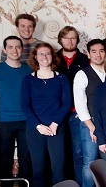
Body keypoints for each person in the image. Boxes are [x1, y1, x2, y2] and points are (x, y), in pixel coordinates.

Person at [21, 42, 72, 187]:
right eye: (41, 54)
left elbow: (66, 103)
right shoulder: (28, 79)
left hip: (57, 127)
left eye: (48, 53)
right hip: (35, 129)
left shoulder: (61, 78)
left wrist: (55, 124)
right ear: (35, 57)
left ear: (53, 57)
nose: (45, 56)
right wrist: (39, 126)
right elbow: (25, 105)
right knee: (38, 169)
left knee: (58, 168)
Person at [0, 36, 32, 180]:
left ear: (22, 49)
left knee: (25, 157)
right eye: (11, 47)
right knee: (5, 158)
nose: (15, 50)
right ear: (4, 50)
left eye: (18, 47)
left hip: (26, 120)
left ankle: (25, 184)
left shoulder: (28, 70)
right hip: (4, 121)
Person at [54, 26, 89, 185]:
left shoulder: (84, 59)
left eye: (73, 37)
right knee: (59, 154)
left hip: (77, 113)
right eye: (66, 37)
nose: (70, 41)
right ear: (60, 40)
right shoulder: (52, 59)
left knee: (78, 153)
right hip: (56, 114)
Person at [73, 39, 106, 187]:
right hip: (90, 124)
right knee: (90, 161)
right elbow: (80, 104)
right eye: (94, 51)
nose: (98, 55)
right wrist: (92, 127)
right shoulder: (82, 74)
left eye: (101, 51)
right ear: (88, 54)